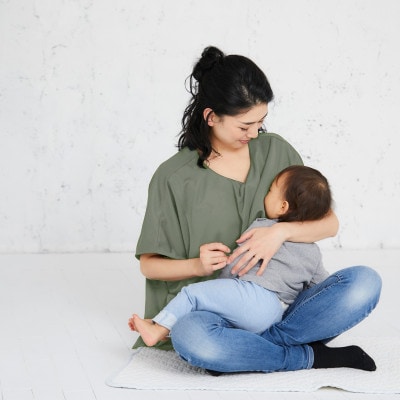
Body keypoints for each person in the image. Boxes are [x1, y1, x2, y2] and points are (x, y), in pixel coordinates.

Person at [133, 46, 382, 374]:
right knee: (193, 338)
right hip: (217, 311)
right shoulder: (174, 178)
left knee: (365, 282)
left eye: (260, 122)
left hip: (282, 303)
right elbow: (150, 267)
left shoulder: (276, 151)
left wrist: (280, 232)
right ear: (211, 117)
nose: (254, 134)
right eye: (244, 126)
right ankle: (308, 356)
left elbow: (328, 222)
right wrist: (196, 263)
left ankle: (246, 350)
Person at [129, 165, 333, 345]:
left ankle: (157, 330)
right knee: (215, 315)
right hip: (277, 314)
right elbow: (321, 288)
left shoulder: (262, 228)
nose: (266, 194)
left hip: (253, 296)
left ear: (282, 206)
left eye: (271, 190)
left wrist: (223, 277)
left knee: (193, 294)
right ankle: (164, 326)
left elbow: (236, 262)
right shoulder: (313, 252)